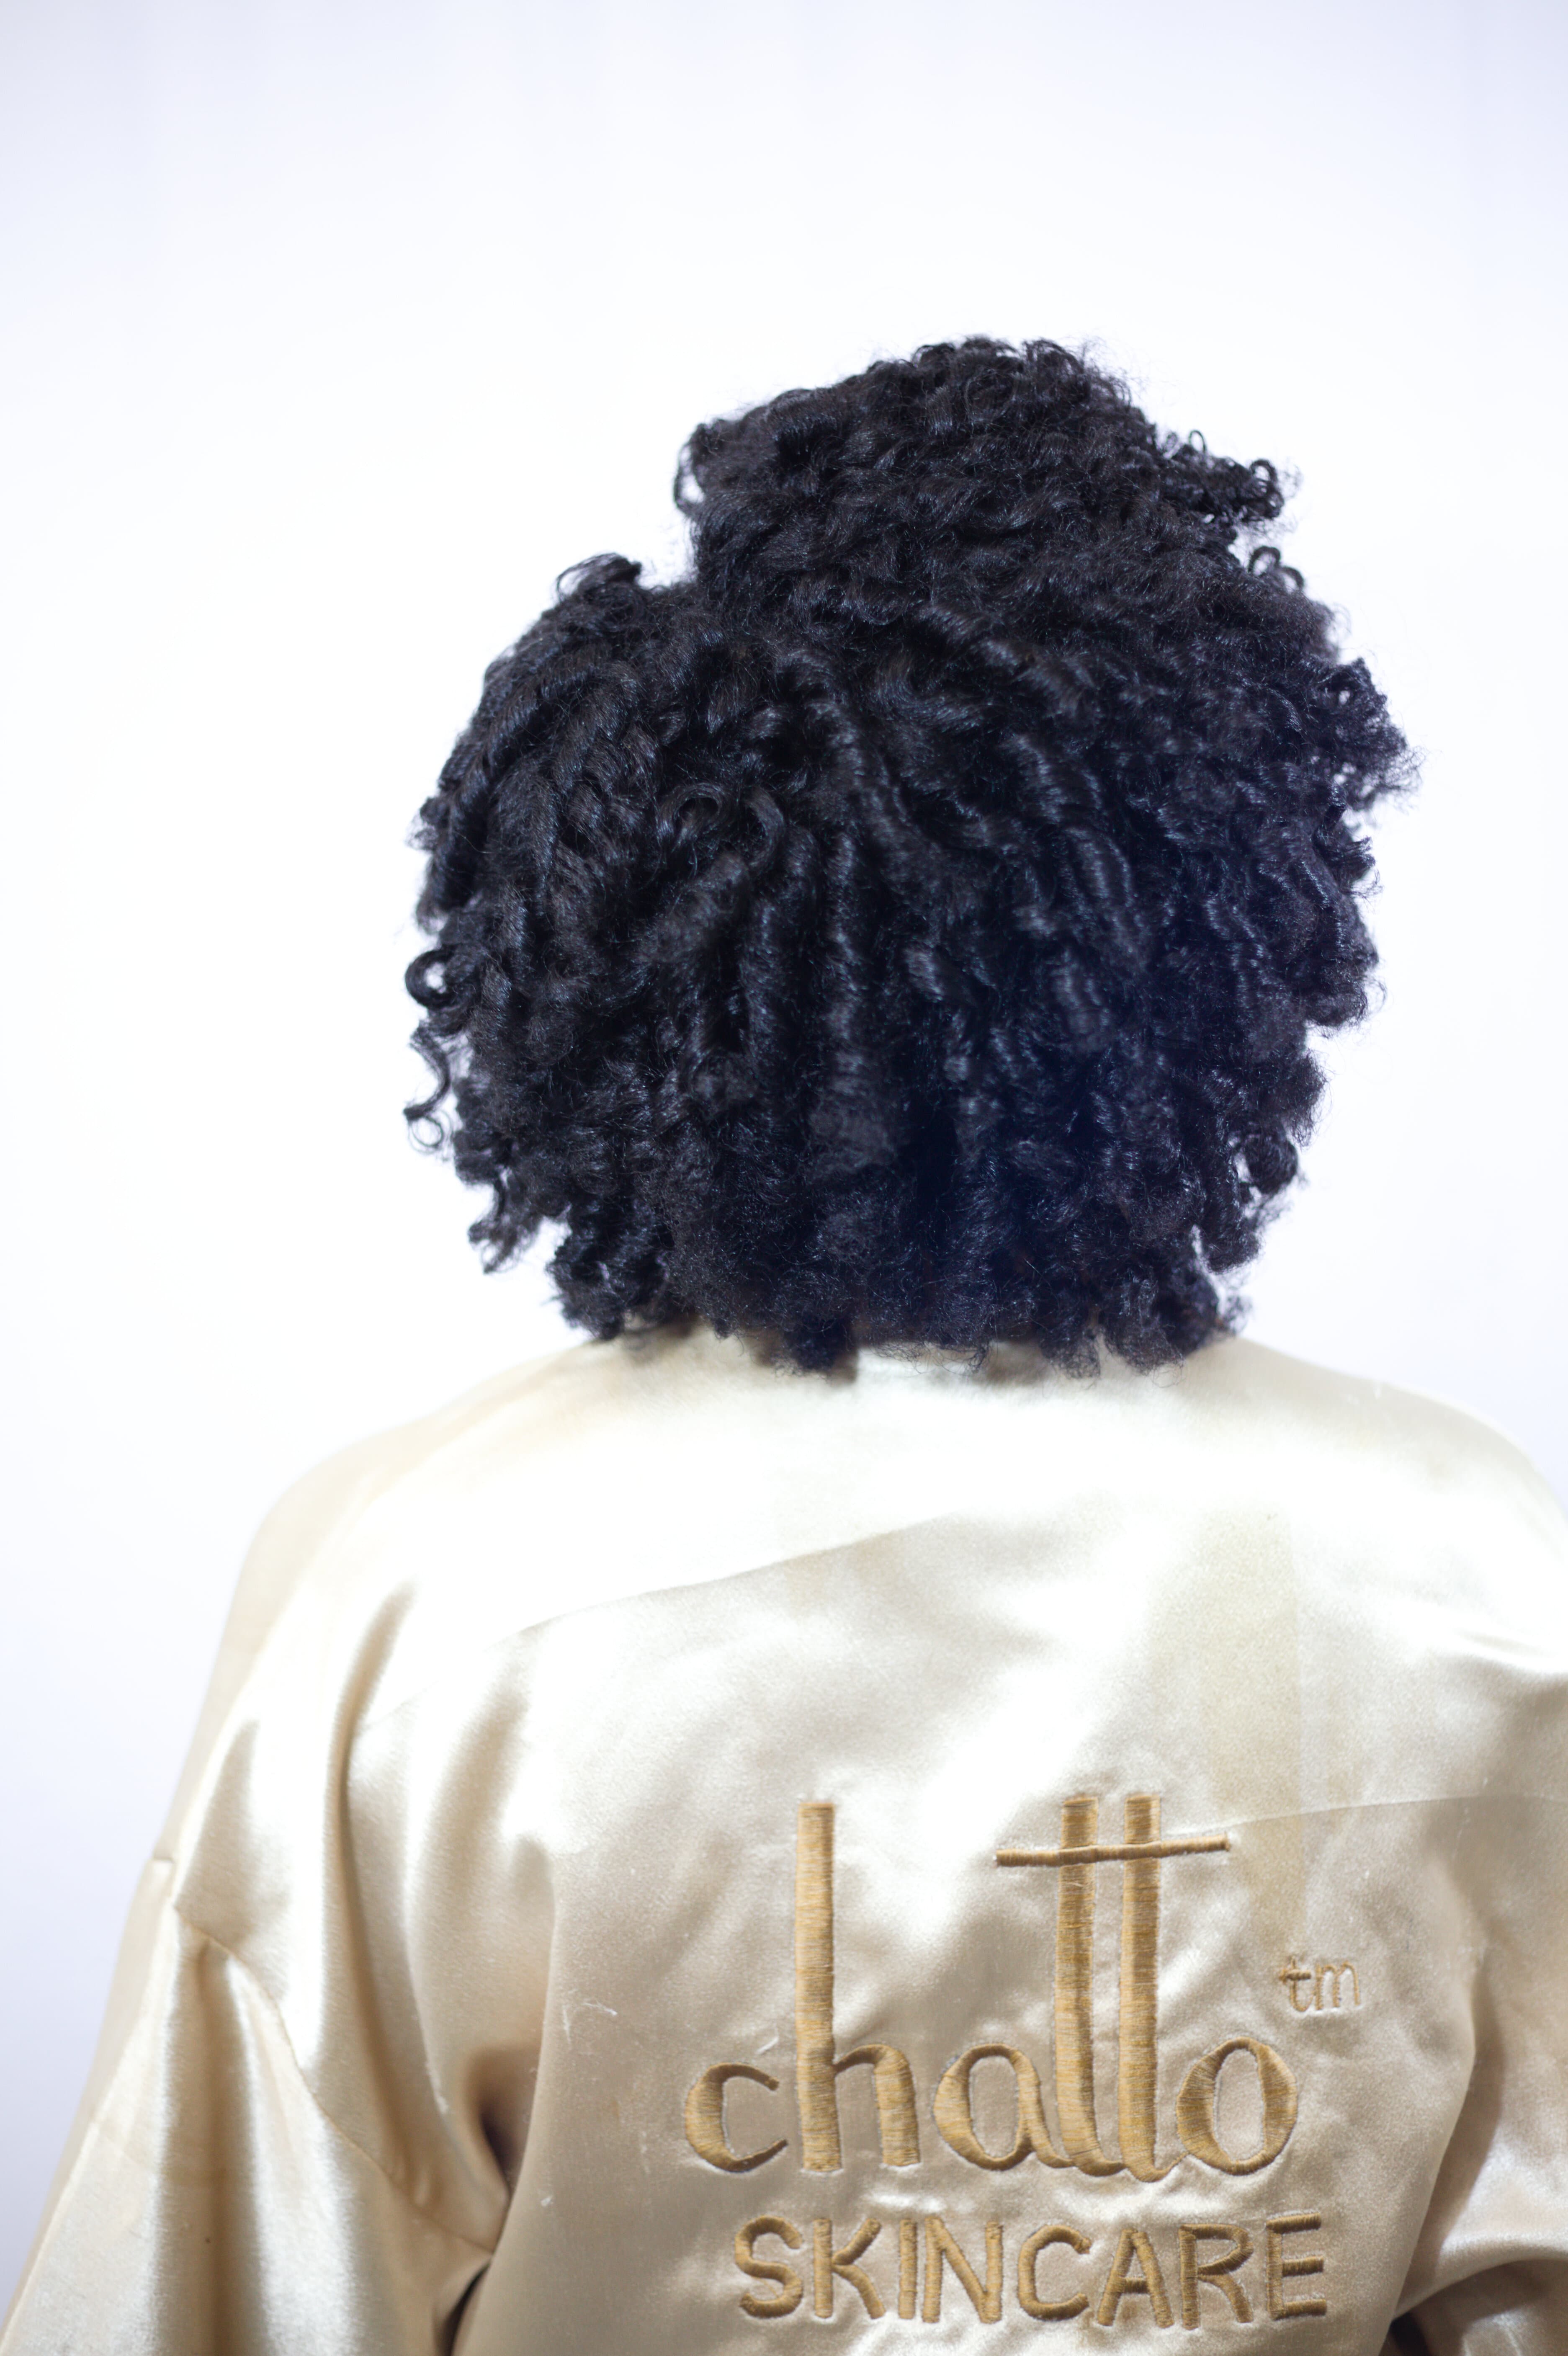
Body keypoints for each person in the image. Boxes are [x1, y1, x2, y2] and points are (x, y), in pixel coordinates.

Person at [6, 339, 1565, 2355]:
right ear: (1221, 923)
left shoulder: (419, 1589)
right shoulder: (1469, 1569)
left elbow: (211, 2291)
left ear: (619, 937)